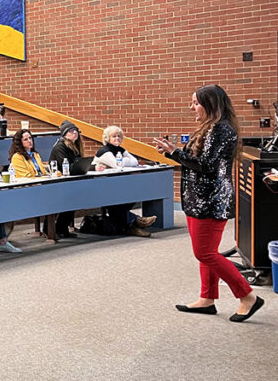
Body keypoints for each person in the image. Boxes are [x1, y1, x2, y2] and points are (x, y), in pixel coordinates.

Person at [151, 84, 264, 321]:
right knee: (206, 252)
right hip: (198, 199)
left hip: (211, 201)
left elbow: (206, 165)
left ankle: (247, 296)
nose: (191, 107)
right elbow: (197, 159)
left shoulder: (222, 130)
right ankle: (207, 298)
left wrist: (175, 153)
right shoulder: (209, 128)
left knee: (205, 253)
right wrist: (174, 152)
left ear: (210, 104)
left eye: (195, 102)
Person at [94, 126, 156, 237]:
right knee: (116, 201)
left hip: (115, 185)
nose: (117, 138)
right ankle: (136, 221)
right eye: (114, 136)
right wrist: (124, 161)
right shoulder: (104, 151)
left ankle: (131, 226)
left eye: (119, 136)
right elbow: (117, 163)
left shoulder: (121, 150)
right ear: (108, 138)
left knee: (127, 197)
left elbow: (135, 161)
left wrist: (123, 160)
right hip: (100, 187)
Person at [47, 120, 84, 237]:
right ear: (65, 134)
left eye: (76, 130)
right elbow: (65, 166)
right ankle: (57, 229)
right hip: (58, 182)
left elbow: (78, 163)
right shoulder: (60, 146)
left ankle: (63, 229)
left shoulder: (75, 146)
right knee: (69, 199)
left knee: (75, 198)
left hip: (70, 180)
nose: (75, 133)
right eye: (71, 131)